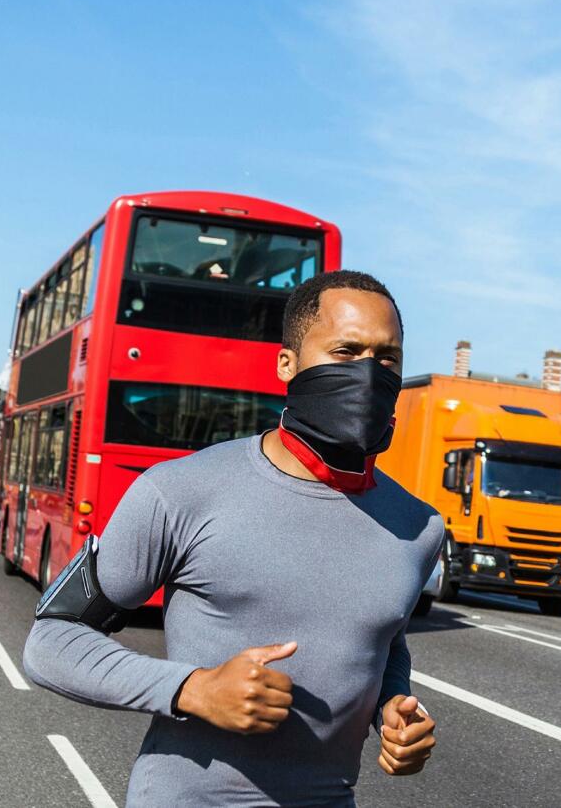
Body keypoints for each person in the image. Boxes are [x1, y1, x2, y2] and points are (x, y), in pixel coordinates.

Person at [22, 271, 441, 806]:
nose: (368, 374)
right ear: (287, 364)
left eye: (387, 360)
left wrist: (395, 708)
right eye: (346, 350)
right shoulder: (179, 492)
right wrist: (193, 689)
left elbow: (385, 639)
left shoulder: (419, 527)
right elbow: (50, 642)